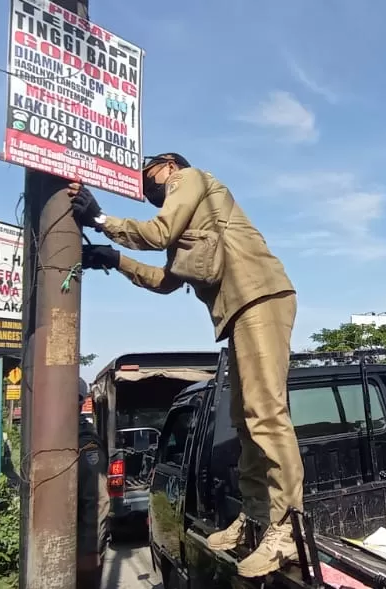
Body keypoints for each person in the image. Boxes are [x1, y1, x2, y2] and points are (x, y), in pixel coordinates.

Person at [68, 153, 302, 578]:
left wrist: (101, 219)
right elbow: (164, 281)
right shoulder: (186, 221)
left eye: (147, 175)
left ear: (170, 165)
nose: (145, 186)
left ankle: (286, 530)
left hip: (260, 297)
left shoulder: (190, 179)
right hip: (238, 311)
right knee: (246, 418)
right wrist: (115, 259)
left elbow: (157, 233)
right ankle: (255, 517)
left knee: (266, 414)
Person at [77, 378, 107, 588]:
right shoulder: (62, 436)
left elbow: (98, 500)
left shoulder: (87, 444)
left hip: (82, 549)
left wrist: (90, 547)